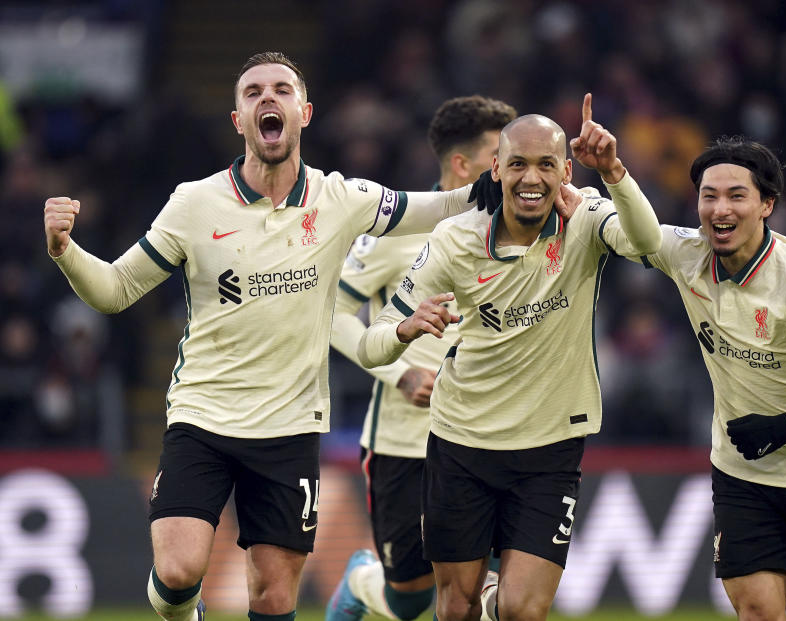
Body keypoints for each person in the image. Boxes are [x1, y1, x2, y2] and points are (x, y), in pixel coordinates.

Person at [41, 52, 497, 621]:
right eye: (253, 92)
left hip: (290, 426)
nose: (268, 98)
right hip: (203, 415)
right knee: (179, 571)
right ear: (239, 120)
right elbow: (113, 290)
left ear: (304, 112)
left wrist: (520, 179)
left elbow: (445, 203)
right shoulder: (194, 203)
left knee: (274, 596)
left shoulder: (341, 199)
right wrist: (66, 252)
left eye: (281, 89)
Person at [357, 94, 662, 621]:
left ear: (566, 171)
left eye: (547, 165)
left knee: (523, 609)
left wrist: (613, 171)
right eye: (518, 164)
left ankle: (502, 600)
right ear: (494, 169)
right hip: (461, 443)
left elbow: (649, 242)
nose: (531, 178)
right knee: (454, 608)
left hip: (549, 449)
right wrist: (404, 330)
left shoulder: (586, 219)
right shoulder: (454, 239)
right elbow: (371, 341)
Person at [638, 137, 786, 621]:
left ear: (767, 205)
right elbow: (626, 227)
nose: (719, 208)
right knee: (757, 612)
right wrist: (610, 174)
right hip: (742, 476)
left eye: (736, 195)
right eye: (708, 195)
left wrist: (784, 428)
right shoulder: (686, 254)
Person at [325, 95, 517, 621]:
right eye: (504, 157)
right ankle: (363, 581)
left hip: (489, 435)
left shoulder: (524, 230)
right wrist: (399, 372)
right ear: (463, 165)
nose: (515, 169)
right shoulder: (399, 228)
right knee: (408, 598)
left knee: (483, 591)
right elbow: (331, 312)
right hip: (406, 439)